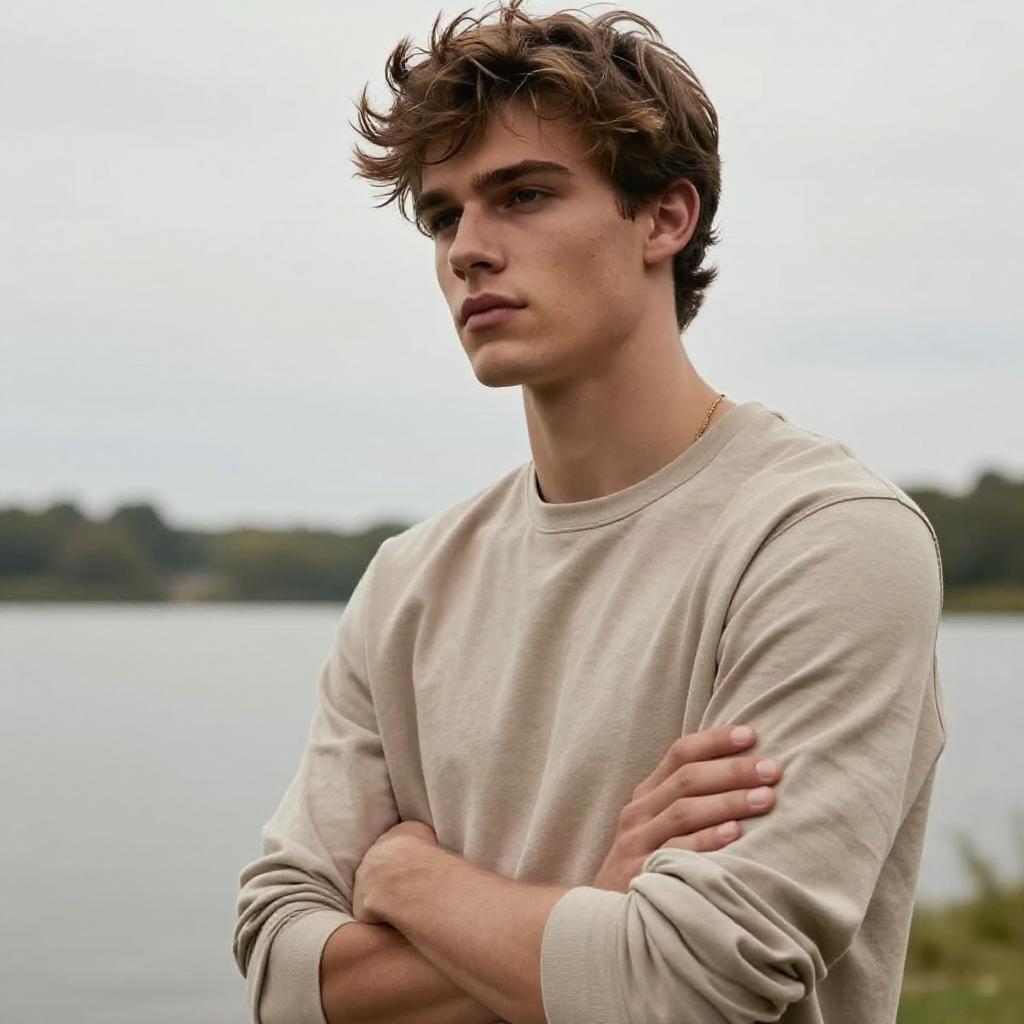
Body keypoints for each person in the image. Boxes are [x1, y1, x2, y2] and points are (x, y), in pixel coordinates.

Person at [232, 3, 946, 1022]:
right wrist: (600, 904)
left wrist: (412, 884)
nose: (469, 249)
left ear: (664, 217)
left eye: (521, 195)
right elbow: (280, 976)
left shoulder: (824, 538)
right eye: (442, 216)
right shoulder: (410, 580)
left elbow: (688, 981)